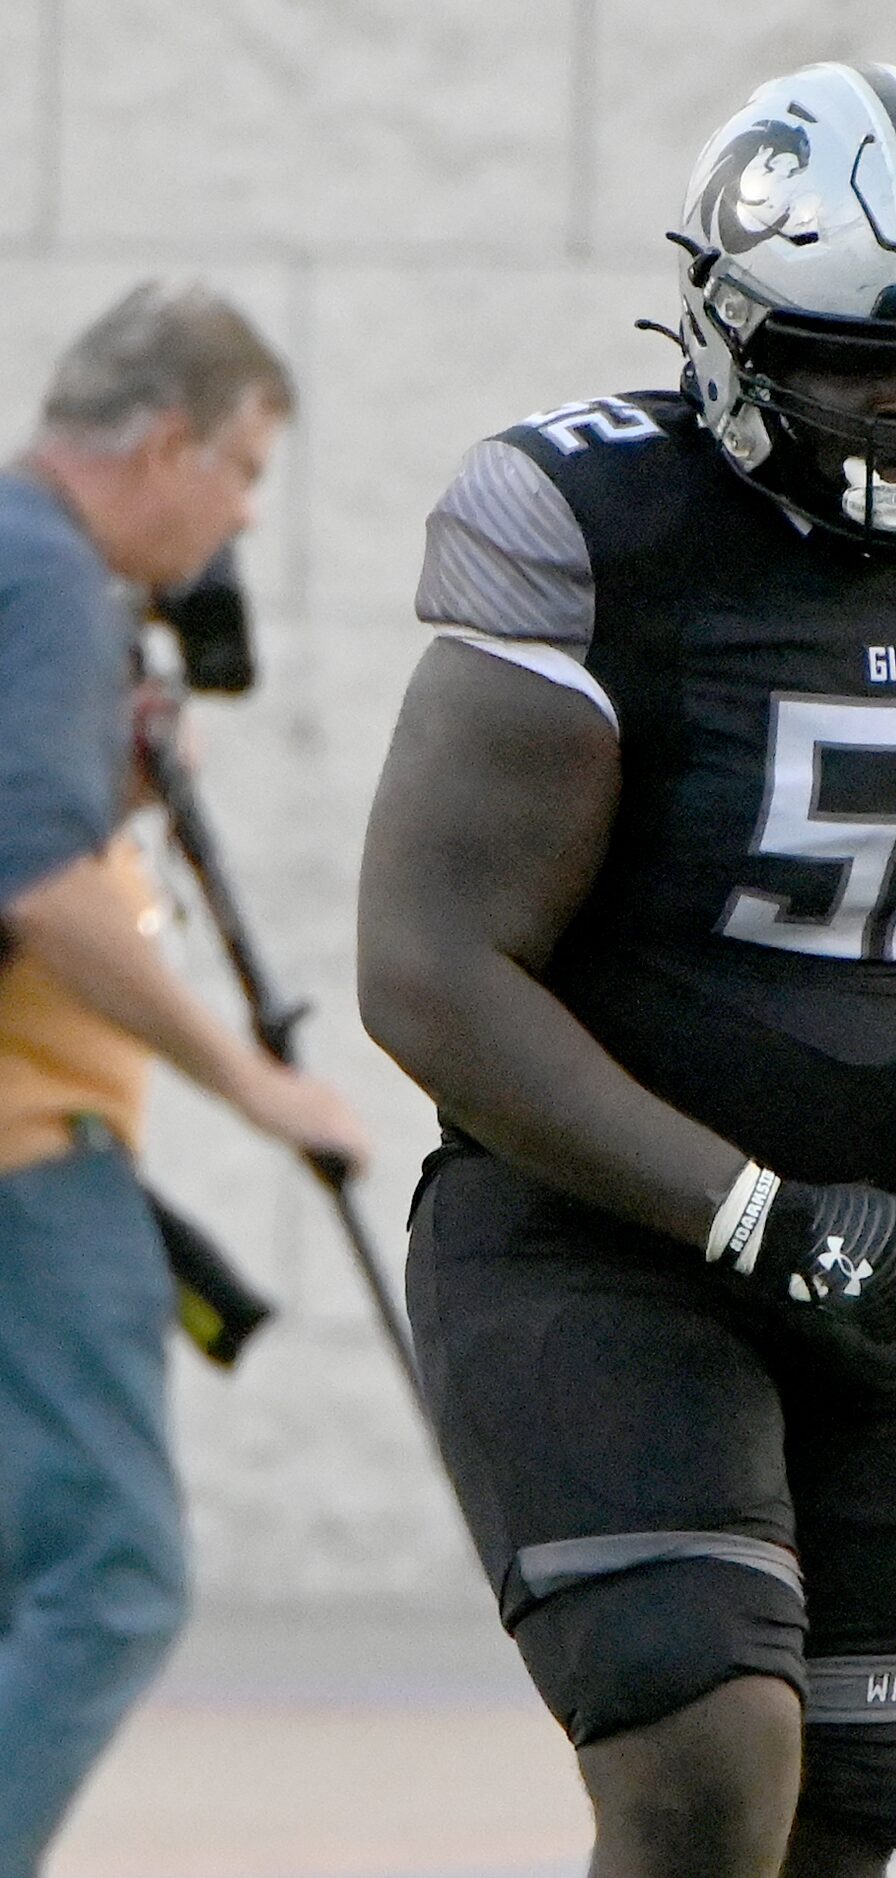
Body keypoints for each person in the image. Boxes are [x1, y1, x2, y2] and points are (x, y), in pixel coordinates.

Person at [358, 60, 896, 1878]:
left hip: (875, 1271)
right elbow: (429, 967)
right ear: (731, 331)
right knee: (698, 1756)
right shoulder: (598, 525)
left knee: (852, 1807)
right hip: (596, 1243)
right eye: (848, 358)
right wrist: (743, 1207)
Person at [0, 282, 371, 1876]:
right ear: (167, 444)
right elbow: (40, 880)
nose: (241, 521)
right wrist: (252, 1080)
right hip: (25, 1146)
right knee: (113, 1570)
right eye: (244, 477)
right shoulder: (54, 587)